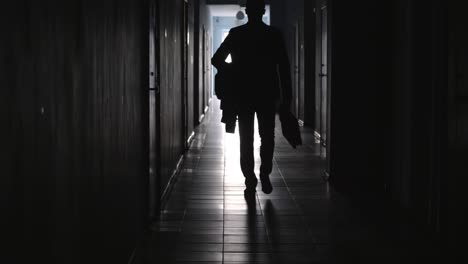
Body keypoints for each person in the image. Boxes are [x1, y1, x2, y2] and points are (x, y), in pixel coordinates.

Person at [211, 0, 292, 198]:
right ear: (263, 11)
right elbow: (284, 69)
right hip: (267, 93)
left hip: (243, 94)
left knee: (245, 138)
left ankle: (250, 179)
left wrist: (233, 70)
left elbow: (216, 59)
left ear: (247, 12)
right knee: (267, 137)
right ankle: (264, 174)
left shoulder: (237, 35)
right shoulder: (273, 35)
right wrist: (286, 99)